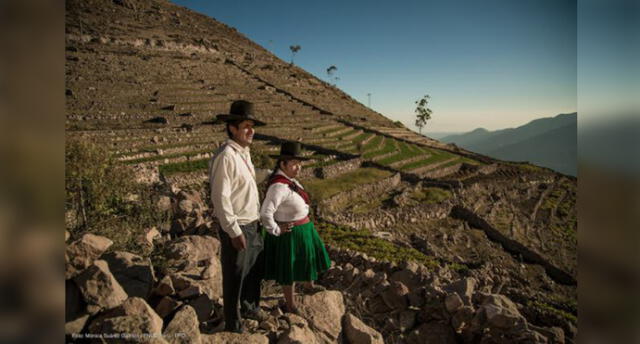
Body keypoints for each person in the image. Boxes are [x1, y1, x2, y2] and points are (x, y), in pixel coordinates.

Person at [208, 100, 270, 333]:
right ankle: (233, 323)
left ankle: (250, 307)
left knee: (253, 270)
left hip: (253, 223)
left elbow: (249, 181)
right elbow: (220, 197)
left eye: (252, 126)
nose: (251, 131)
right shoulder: (226, 156)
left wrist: (273, 174)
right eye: (246, 126)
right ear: (232, 128)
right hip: (239, 226)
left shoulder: (243, 153)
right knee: (235, 276)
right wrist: (233, 231)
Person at [260, 141, 331, 314]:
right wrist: (276, 229)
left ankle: (308, 286)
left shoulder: (290, 181)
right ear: (282, 164)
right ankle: (290, 304)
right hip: (290, 232)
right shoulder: (278, 187)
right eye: (294, 163)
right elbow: (265, 213)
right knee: (289, 269)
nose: (298, 167)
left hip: (304, 228)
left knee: (307, 259)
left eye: (299, 163)